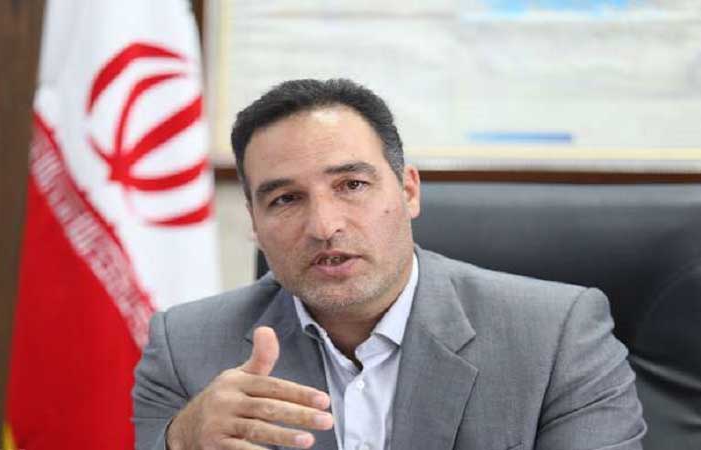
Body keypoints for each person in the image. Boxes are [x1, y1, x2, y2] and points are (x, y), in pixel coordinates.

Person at [133, 78, 646, 450]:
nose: (324, 226)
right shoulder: (185, 348)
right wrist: (180, 441)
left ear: (408, 191)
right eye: (286, 199)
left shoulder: (555, 336)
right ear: (254, 221)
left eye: (352, 185)